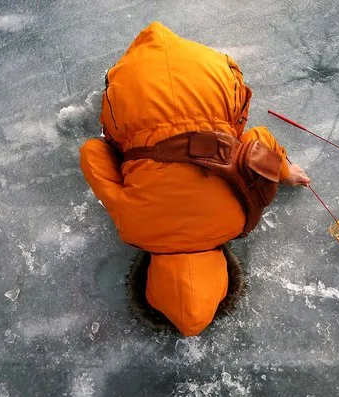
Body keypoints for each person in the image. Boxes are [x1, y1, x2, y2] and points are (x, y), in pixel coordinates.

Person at [80, 22, 310, 336]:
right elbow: (92, 151)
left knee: (232, 134)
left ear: (226, 272)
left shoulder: (241, 218)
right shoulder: (132, 227)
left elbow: (260, 138)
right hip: (133, 80)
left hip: (212, 71)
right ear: (148, 275)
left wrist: (283, 170)